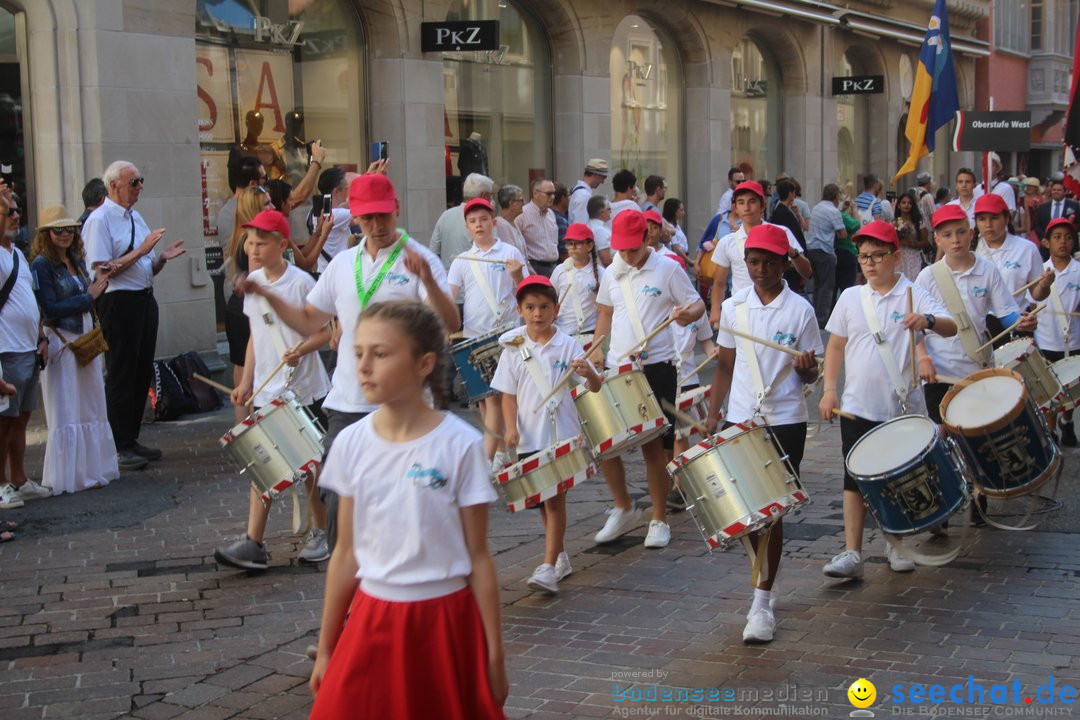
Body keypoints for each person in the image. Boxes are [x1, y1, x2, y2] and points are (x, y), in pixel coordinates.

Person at [240, 172, 459, 555]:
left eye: (382, 216)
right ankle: (354, 602)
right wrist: (267, 296)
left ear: (396, 210)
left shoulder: (418, 258)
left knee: (401, 503)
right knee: (340, 504)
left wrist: (428, 280)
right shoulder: (343, 263)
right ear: (353, 216)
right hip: (346, 403)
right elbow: (309, 320)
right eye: (366, 217)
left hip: (401, 406)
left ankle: (400, 587)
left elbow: (450, 323)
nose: (375, 225)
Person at [308, 301, 507, 720]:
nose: (363, 366)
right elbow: (345, 553)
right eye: (357, 352)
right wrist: (327, 648)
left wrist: (493, 651)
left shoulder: (460, 445)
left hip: (444, 622)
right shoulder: (350, 444)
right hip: (371, 620)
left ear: (424, 363)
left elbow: (478, 557)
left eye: (380, 354)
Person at [818, 221, 957, 579]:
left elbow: (951, 325)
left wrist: (925, 320)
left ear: (896, 257)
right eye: (864, 256)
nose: (869, 262)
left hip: (900, 406)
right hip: (856, 405)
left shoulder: (912, 292)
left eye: (878, 255)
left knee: (897, 477)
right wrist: (829, 387)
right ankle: (852, 551)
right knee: (854, 478)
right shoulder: (851, 297)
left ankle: (896, 543)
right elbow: (836, 345)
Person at [706, 224, 823, 643]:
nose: (760, 269)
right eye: (754, 262)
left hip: (787, 418)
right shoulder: (735, 308)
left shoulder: (801, 311)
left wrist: (807, 366)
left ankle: (760, 601)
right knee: (749, 514)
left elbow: (812, 373)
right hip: (741, 417)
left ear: (784, 263)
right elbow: (724, 366)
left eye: (769, 262)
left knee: (771, 515)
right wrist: (711, 415)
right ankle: (763, 587)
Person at [215, 209, 333, 570]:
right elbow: (255, 336)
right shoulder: (252, 281)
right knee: (261, 465)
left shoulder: (301, 283)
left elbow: (326, 330)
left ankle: (322, 532)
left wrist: (301, 349)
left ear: (282, 245)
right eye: (249, 241)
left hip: (305, 391)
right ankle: (254, 543)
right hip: (267, 392)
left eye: (261, 242)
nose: (253, 248)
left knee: (311, 467)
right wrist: (245, 382)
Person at [592, 210, 705, 548]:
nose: (626, 255)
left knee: (654, 447)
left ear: (646, 239)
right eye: (621, 249)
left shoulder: (669, 268)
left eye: (632, 248)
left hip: (657, 366)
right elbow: (605, 312)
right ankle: (623, 506)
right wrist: (598, 349)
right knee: (605, 443)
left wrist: (687, 315)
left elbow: (696, 305)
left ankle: (658, 518)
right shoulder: (612, 271)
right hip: (618, 366)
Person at [491, 276, 602, 593]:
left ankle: (548, 565)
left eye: (543, 307)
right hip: (528, 436)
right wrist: (510, 428)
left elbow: (595, 387)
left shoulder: (568, 344)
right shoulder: (513, 349)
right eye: (530, 307)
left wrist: (588, 372)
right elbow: (507, 395)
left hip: (559, 433)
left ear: (556, 309)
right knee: (542, 501)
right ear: (520, 311)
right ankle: (560, 557)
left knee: (554, 501)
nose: (537, 313)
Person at [81, 161, 186, 469]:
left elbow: (147, 264)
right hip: (118, 303)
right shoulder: (99, 220)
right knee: (121, 371)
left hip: (143, 298)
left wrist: (161, 258)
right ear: (114, 186)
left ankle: (130, 437)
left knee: (141, 370)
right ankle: (117, 444)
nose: (140, 187)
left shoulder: (134, 216)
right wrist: (142, 251)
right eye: (134, 182)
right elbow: (101, 270)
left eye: (141, 181)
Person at [29, 205, 122, 493]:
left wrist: (97, 282)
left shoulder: (75, 259)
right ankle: (69, 476)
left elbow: (86, 293)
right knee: (66, 406)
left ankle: (93, 470)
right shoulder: (41, 265)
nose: (65, 235)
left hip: (84, 338)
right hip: (62, 341)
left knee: (91, 403)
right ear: (46, 233)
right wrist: (88, 296)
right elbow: (49, 308)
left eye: (70, 229)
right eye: (58, 229)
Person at [917, 204, 1033, 428]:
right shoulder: (927, 277)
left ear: (971, 233)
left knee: (975, 431)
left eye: (961, 232)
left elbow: (1006, 312)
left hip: (976, 368)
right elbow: (916, 328)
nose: (956, 240)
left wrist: (1021, 322)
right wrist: (923, 359)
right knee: (942, 433)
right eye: (947, 235)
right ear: (937, 239)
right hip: (939, 372)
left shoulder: (988, 270)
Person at [447, 198, 526, 460]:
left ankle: (489, 456)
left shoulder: (510, 253)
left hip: (505, 335)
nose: (478, 225)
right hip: (474, 337)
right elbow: (450, 296)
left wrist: (517, 276)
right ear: (467, 227)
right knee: (482, 398)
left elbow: (525, 293)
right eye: (472, 221)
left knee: (497, 396)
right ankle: (502, 450)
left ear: (493, 223)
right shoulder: (462, 260)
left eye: (483, 219)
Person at [0, 191, 53, 508]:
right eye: (8, 212)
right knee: (3, 422)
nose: (16, 216)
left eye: (17, 211)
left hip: (27, 348)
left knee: (21, 418)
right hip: (5, 351)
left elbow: (30, 301)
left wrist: (41, 337)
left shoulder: (18, 254)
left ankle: (18, 478)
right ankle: (2, 483)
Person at [710, 181, 811, 322]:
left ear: (762, 205)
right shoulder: (727, 242)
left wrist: (791, 251)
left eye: (752, 201)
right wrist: (715, 310)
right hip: (741, 314)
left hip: (777, 311)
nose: (746, 207)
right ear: (735, 207)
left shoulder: (782, 232)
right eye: (741, 202)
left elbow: (807, 272)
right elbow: (719, 283)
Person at [224, 186, 274, 423]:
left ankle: (243, 428)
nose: (272, 207)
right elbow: (258, 280)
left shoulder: (241, 235)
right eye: (266, 203)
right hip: (246, 308)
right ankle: (246, 430)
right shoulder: (251, 239)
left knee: (242, 369)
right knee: (246, 372)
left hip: (239, 306)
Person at [975, 193, 1050, 342]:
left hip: (1017, 325)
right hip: (980, 329)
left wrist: (1045, 284)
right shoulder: (970, 250)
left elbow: (1037, 294)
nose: (988, 224)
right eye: (982, 219)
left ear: (1007, 218)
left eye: (994, 218)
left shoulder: (1026, 249)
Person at [1032, 218, 1080, 445]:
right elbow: (1031, 302)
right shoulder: (1039, 271)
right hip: (1046, 338)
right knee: (1049, 389)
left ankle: (1067, 422)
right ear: (1046, 242)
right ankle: (1051, 428)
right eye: (1057, 237)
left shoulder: (1079, 270)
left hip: (1074, 338)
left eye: (1069, 237)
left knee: (1074, 386)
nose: (1064, 242)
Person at [550, 223, 604, 338]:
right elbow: (550, 296)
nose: (573, 247)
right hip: (563, 332)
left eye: (578, 243)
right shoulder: (560, 270)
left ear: (589, 246)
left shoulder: (601, 273)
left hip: (590, 332)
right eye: (569, 244)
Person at [431, 173, 495, 269]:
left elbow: (433, 252)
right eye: (491, 195)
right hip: (476, 280)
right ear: (484, 196)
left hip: (448, 279)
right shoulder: (485, 220)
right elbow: (492, 253)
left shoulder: (445, 215)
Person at [805, 184, 846, 327]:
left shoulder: (816, 207)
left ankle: (815, 316)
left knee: (817, 285)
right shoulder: (833, 211)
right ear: (835, 196)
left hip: (812, 249)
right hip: (825, 250)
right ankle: (822, 319)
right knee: (826, 287)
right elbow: (842, 234)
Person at [514, 178, 559, 276]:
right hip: (534, 267)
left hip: (553, 267)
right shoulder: (522, 214)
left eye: (553, 193)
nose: (552, 197)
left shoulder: (551, 214)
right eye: (548, 194)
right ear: (535, 194)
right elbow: (516, 245)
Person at [216, 155, 266, 243]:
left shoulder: (225, 211)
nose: (266, 181)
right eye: (264, 178)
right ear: (253, 184)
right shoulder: (245, 211)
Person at [769, 180, 807, 294]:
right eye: (794, 192)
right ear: (790, 193)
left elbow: (803, 228)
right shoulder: (782, 212)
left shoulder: (784, 211)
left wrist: (798, 214)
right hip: (790, 261)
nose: (795, 195)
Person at [894, 189, 930, 281]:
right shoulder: (895, 223)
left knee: (915, 282)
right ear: (899, 205)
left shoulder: (919, 222)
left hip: (914, 257)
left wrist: (913, 244)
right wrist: (900, 241)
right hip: (900, 257)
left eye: (909, 203)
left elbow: (925, 242)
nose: (906, 205)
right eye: (903, 203)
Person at [493, 184, 531, 268]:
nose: (524, 203)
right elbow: (510, 255)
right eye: (521, 200)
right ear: (511, 203)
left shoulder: (514, 223)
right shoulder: (500, 224)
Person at [1033, 179, 1080, 245]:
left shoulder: (1074, 205)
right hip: (1047, 244)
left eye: (1059, 190)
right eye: (1054, 190)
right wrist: (1043, 238)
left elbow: (1078, 223)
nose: (1056, 192)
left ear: (1065, 192)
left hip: (1068, 244)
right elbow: (1037, 224)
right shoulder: (1043, 207)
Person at [568, 159, 608, 225]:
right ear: (595, 174)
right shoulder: (584, 195)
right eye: (603, 178)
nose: (602, 182)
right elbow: (581, 225)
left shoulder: (578, 191)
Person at [662, 198, 691, 268]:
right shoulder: (669, 227)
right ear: (674, 211)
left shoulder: (676, 225)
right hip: (678, 260)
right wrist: (689, 261)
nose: (683, 212)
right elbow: (676, 248)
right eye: (681, 210)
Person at [586, 195, 614, 266]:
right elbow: (606, 260)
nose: (611, 211)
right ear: (601, 213)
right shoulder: (599, 231)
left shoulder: (592, 226)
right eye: (609, 208)